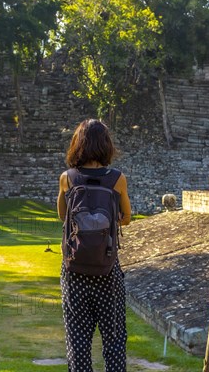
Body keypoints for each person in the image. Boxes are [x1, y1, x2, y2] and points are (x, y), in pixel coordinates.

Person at [57, 119, 132, 372]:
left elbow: (62, 216)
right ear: (106, 145)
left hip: (74, 272)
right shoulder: (117, 179)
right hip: (107, 271)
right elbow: (127, 217)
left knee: (78, 344)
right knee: (114, 342)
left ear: (77, 145)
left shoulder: (67, 179)